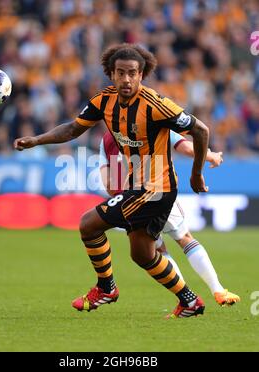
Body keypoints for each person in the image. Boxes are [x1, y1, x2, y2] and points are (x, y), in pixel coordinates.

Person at [14, 43, 210, 318]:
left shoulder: (156, 104)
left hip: (156, 188)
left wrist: (196, 172)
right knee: (142, 255)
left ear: (141, 74)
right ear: (111, 74)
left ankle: (106, 288)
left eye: (132, 73)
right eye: (120, 73)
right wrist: (37, 140)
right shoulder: (103, 101)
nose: (126, 79)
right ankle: (190, 301)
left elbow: (200, 130)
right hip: (138, 187)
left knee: (89, 224)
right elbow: (72, 129)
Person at [99, 130, 240, 307]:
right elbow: (186, 147)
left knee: (159, 251)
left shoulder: (106, 140)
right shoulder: (152, 118)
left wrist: (127, 195)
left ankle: (188, 298)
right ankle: (217, 289)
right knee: (184, 238)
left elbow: (109, 185)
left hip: (132, 203)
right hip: (159, 189)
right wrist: (210, 156)